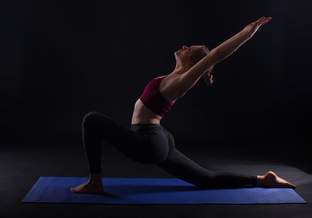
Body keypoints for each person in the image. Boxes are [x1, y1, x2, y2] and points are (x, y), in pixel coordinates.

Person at [70, 17, 296, 194]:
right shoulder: (172, 77)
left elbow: (217, 54)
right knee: (206, 179)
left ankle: (94, 182)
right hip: (159, 139)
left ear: (193, 62)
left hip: (149, 142)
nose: (184, 46)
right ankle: (263, 180)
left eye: (189, 48)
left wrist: (246, 33)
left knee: (91, 120)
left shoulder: (182, 81)